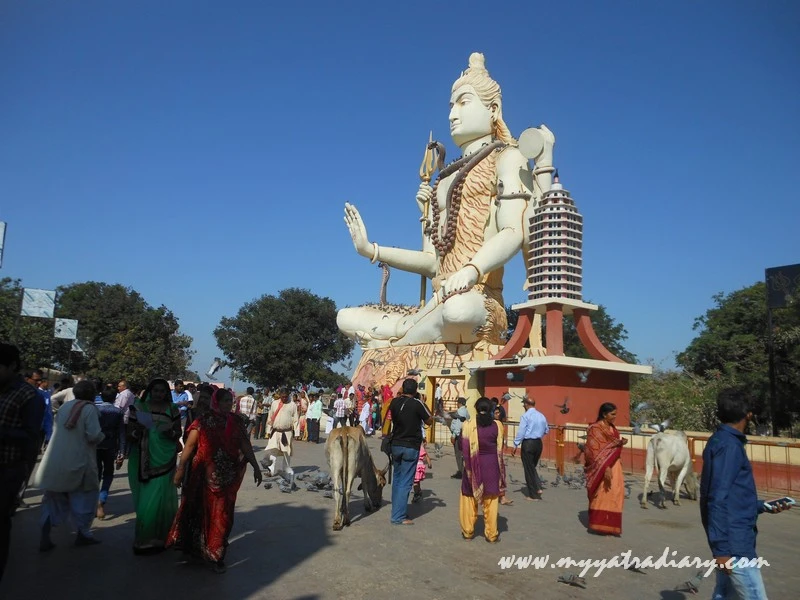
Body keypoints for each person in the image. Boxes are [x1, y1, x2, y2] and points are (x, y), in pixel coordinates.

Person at [338, 53, 547, 349]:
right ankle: (411, 329)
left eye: (463, 102)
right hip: (437, 302)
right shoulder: (445, 179)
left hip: (478, 300)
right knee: (345, 317)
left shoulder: (508, 158)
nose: (452, 114)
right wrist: (371, 250)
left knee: (457, 310)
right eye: (451, 105)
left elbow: (514, 232)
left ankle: (397, 342)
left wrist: (472, 271)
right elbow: (433, 262)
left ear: (494, 109)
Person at [702, 388, 791, 599]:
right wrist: (721, 550)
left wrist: (761, 506)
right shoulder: (730, 446)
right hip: (735, 544)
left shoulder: (719, 440)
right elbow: (716, 498)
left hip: (730, 538)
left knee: (724, 594)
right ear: (748, 414)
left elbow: (728, 495)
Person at [167, 388, 262, 574]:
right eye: (224, 400)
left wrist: (256, 467)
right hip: (202, 476)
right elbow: (190, 446)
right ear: (216, 402)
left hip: (226, 478)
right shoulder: (203, 421)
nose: (228, 404)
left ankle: (216, 554)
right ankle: (195, 549)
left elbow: (245, 446)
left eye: (230, 400)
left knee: (222, 516)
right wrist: (180, 470)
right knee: (198, 512)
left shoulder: (235, 422)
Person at [36, 380, 105, 550]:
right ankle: (83, 534)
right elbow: (94, 435)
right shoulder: (89, 408)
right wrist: (104, 436)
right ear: (91, 394)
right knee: (84, 500)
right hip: (80, 463)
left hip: (55, 461)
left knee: (52, 501)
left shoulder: (65, 407)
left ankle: (45, 536)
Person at [0, 344, 43, 581]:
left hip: (7, 469)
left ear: (12, 367)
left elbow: (30, 436)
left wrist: (3, 432)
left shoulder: (27, 396)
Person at [128, 378, 182, 554]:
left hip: (165, 458)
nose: (159, 394)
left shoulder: (172, 409)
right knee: (146, 499)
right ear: (150, 391)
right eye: (156, 391)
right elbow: (130, 431)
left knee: (163, 498)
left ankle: (163, 537)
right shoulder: (139, 407)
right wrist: (142, 432)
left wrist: (168, 432)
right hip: (143, 458)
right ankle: (144, 540)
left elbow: (177, 433)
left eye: (163, 391)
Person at [386, 378, 432, 525]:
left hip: (396, 444)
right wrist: (422, 403)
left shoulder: (394, 402)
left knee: (398, 479)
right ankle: (398, 516)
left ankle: (396, 510)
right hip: (410, 445)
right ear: (415, 390)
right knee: (406, 482)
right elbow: (429, 420)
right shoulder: (417, 404)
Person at [459, 397, 506, 542]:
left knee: (468, 498)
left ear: (476, 409)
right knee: (491, 501)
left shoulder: (468, 425)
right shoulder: (497, 426)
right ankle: (491, 534)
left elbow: (462, 447)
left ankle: (468, 531)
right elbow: (500, 446)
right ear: (491, 409)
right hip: (492, 466)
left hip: (472, 466)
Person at [583, 402, 627, 536]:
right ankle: (598, 524)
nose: (615, 417)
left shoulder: (613, 429)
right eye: (612, 414)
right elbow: (592, 452)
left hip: (615, 466)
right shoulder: (595, 429)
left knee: (616, 493)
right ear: (604, 414)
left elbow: (613, 447)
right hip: (601, 468)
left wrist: (619, 444)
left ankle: (610, 526)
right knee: (601, 494)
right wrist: (605, 467)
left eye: (615, 414)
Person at [94, 386, 126, 520]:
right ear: (114, 398)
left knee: (96, 475)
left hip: (95, 446)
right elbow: (121, 434)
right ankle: (101, 500)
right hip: (110, 446)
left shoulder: (95, 410)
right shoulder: (118, 412)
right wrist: (122, 452)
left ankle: (94, 500)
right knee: (108, 474)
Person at [512, 396, 548, 501]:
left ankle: (533, 494)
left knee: (528, 469)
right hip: (538, 443)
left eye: (524, 404)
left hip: (528, 443)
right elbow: (546, 430)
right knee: (532, 466)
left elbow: (521, 432)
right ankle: (537, 486)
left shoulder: (525, 416)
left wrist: (515, 444)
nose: (523, 405)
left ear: (527, 404)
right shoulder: (541, 416)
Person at [263, 390, 299, 483]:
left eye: (286, 396)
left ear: (288, 395)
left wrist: (297, 433)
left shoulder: (292, 405)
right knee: (273, 450)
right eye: (282, 396)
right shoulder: (274, 403)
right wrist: (268, 430)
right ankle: (271, 470)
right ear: (280, 396)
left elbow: (296, 420)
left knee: (286, 451)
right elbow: (270, 417)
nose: (284, 398)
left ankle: (286, 469)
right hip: (275, 431)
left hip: (286, 432)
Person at [494, 406, 513, 506]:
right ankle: (501, 497)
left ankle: (501, 496)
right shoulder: (496, 424)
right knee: (499, 475)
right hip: (495, 453)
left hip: (497, 452)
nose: (498, 415)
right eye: (495, 413)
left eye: (498, 413)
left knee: (499, 475)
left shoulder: (497, 424)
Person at [450, 397, 469, 479]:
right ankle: (462, 470)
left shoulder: (460, 411)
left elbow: (458, 425)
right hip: (463, 434)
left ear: (459, 403)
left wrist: (454, 435)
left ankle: (461, 471)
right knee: (462, 454)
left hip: (458, 435)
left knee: (458, 454)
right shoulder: (466, 411)